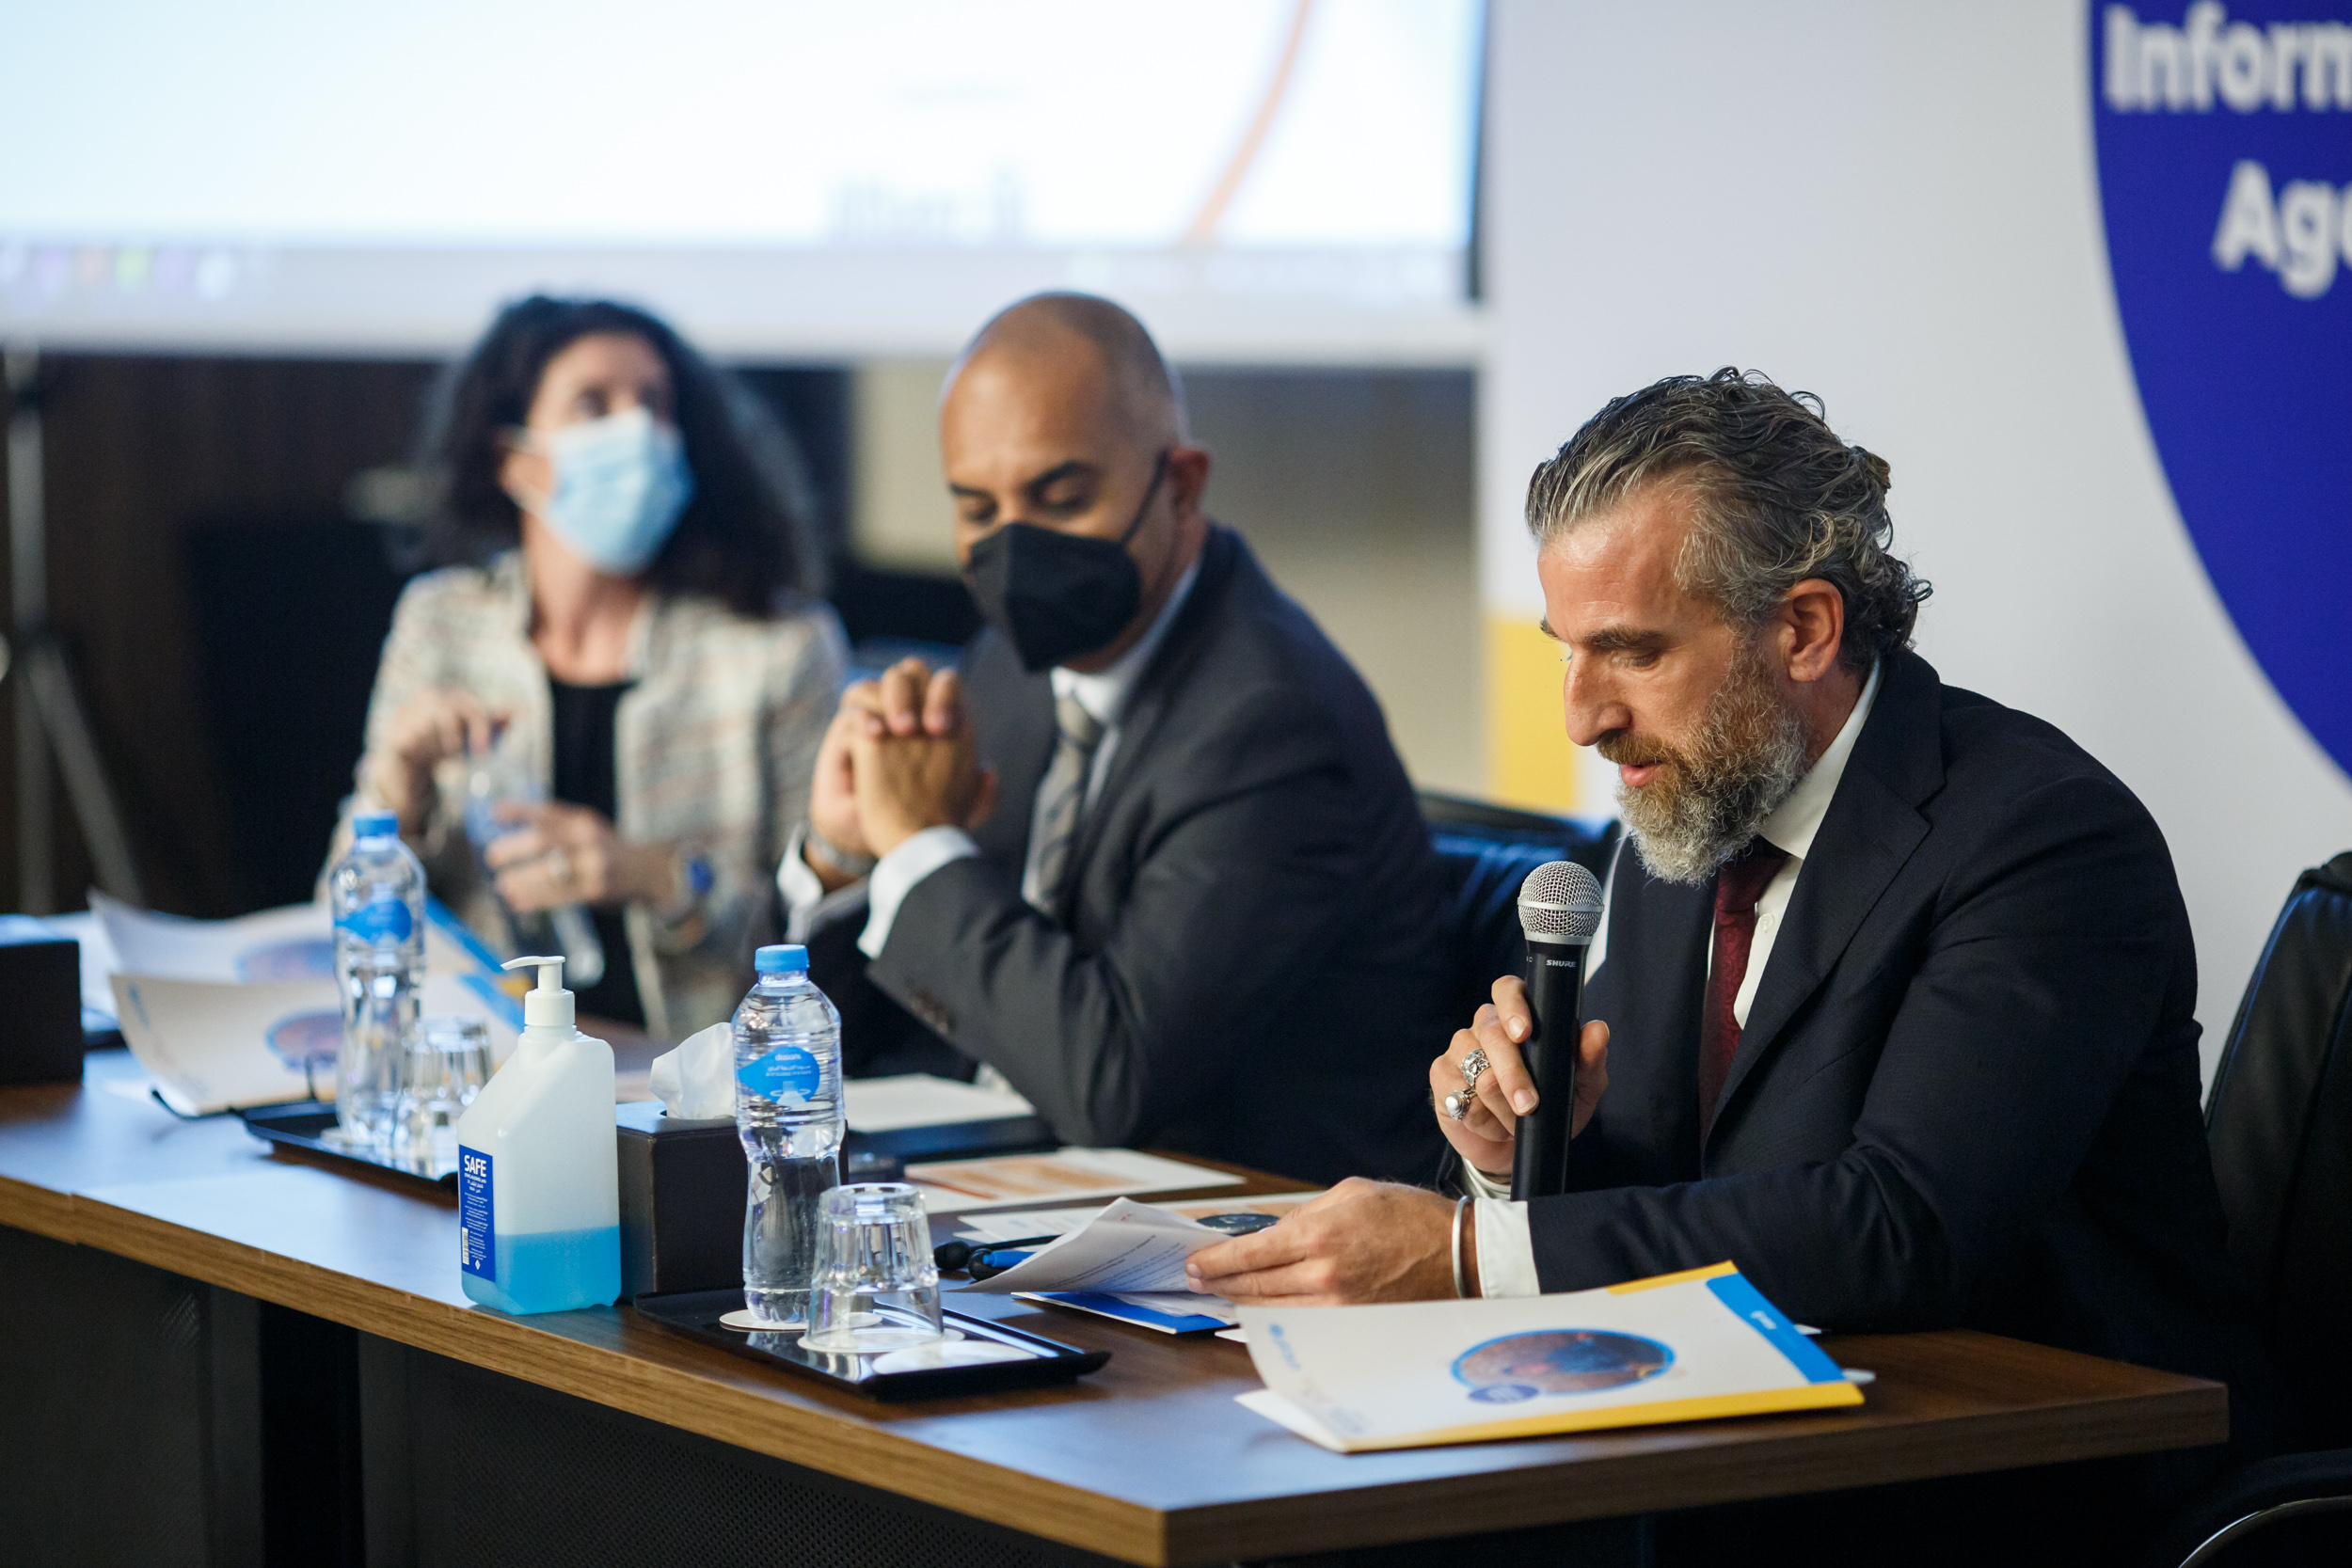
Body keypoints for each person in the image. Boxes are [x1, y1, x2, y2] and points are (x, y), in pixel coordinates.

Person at [1184, 370, 2273, 1544]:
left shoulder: (2042, 837)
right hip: (1736, 1459)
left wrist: (1462, 1248)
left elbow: (1899, 1227)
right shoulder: (1683, 816)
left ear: (1802, 628)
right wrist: (1519, 1153)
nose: (1581, 716)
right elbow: (1680, 1191)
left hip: (2018, 1493)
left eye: (1631, 652)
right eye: (1565, 650)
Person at [780, 292, 1454, 1184]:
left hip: (1250, 1233)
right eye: (978, 509)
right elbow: (847, 1041)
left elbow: (1110, 1080)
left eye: (1059, 498)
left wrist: (917, 846)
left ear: (1179, 485)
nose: (1014, 546)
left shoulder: (1272, 721)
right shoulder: (1012, 665)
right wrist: (844, 853)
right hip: (1016, 1191)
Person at [332, 296, 846, 1038]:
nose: (635, 430)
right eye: (592, 403)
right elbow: (343, 930)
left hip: (702, 1089)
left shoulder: (778, 646)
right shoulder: (441, 624)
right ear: (514, 459)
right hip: (482, 1072)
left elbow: (824, 933)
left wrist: (655, 876)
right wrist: (398, 783)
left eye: (655, 404)